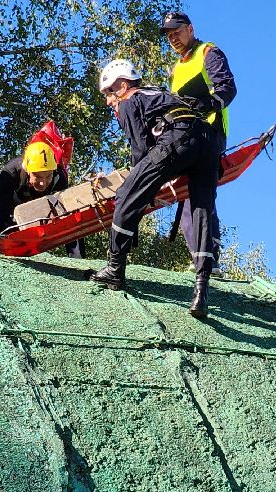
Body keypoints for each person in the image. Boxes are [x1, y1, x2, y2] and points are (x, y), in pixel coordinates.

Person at [89, 59, 222, 318]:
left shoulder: (129, 101)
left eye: (108, 94)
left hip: (179, 138)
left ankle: (115, 270)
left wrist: (140, 187)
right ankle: (202, 290)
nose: (108, 101)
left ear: (123, 85)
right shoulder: (158, 93)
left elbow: (140, 149)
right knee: (202, 210)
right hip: (208, 142)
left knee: (125, 195)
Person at [161, 11, 237, 273]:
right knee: (184, 195)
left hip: (210, 131)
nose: (173, 39)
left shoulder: (208, 53)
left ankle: (210, 259)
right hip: (183, 135)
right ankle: (200, 256)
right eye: (169, 36)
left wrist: (206, 104)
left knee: (201, 193)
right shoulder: (176, 69)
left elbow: (227, 88)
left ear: (190, 29)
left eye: (177, 32)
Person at [0, 140, 71, 233]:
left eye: (48, 176)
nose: (43, 183)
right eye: (37, 176)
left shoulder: (59, 177)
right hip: (17, 204)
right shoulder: (10, 174)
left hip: (46, 206)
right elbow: (1, 217)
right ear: (27, 170)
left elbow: (69, 218)